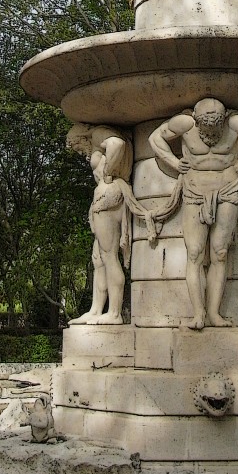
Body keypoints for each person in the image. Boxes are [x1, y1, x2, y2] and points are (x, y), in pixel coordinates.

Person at [148, 98, 238, 330]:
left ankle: (214, 313)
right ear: (196, 119)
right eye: (206, 127)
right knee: (194, 252)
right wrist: (173, 162)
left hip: (228, 188)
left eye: (216, 126)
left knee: (220, 252)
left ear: (223, 120)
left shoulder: (235, 123)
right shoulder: (184, 123)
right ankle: (198, 314)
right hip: (195, 188)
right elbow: (155, 138)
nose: (211, 132)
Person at [66, 123, 158, 325]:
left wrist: (107, 171)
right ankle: (96, 310)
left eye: (77, 148)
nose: (81, 153)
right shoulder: (100, 136)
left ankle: (114, 313)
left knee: (108, 256)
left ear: (80, 138)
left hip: (108, 193)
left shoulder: (97, 133)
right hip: (110, 193)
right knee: (99, 259)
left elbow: (117, 144)